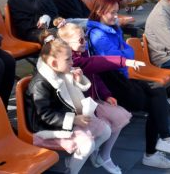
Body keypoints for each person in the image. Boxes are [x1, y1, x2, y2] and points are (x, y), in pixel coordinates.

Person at [87, 0, 170, 168]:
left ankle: (162, 141)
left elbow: (128, 52)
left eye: (116, 12)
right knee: (154, 103)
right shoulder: (98, 35)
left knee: (158, 92)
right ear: (99, 11)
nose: (115, 16)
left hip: (122, 77)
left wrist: (123, 51)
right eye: (111, 13)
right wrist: (123, 52)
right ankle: (154, 149)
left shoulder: (112, 29)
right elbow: (119, 57)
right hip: (111, 83)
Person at [56, 24, 136, 174]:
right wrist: (123, 61)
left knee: (117, 117)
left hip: (92, 102)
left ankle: (102, 155)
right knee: (105, 126)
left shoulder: (82, 52)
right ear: (67, 43)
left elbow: (96, 77)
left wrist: (106, 94)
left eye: (85, 37)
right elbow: (93, 63)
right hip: (79, 108)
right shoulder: (71, 60)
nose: (85, 42)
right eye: (80, 39)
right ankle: (88, 158)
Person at [26, 36, 111, 174]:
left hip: (66, 118)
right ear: (53, 63)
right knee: (87, 144)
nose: (72, 62)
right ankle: (71, 170)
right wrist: (74, 120)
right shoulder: (40, 84)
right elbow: (44, 115)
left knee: (105, 130)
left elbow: (70, 96)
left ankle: (73, 161)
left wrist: (77, 80)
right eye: (68, 59)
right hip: (46, 127)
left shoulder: (61, 72)